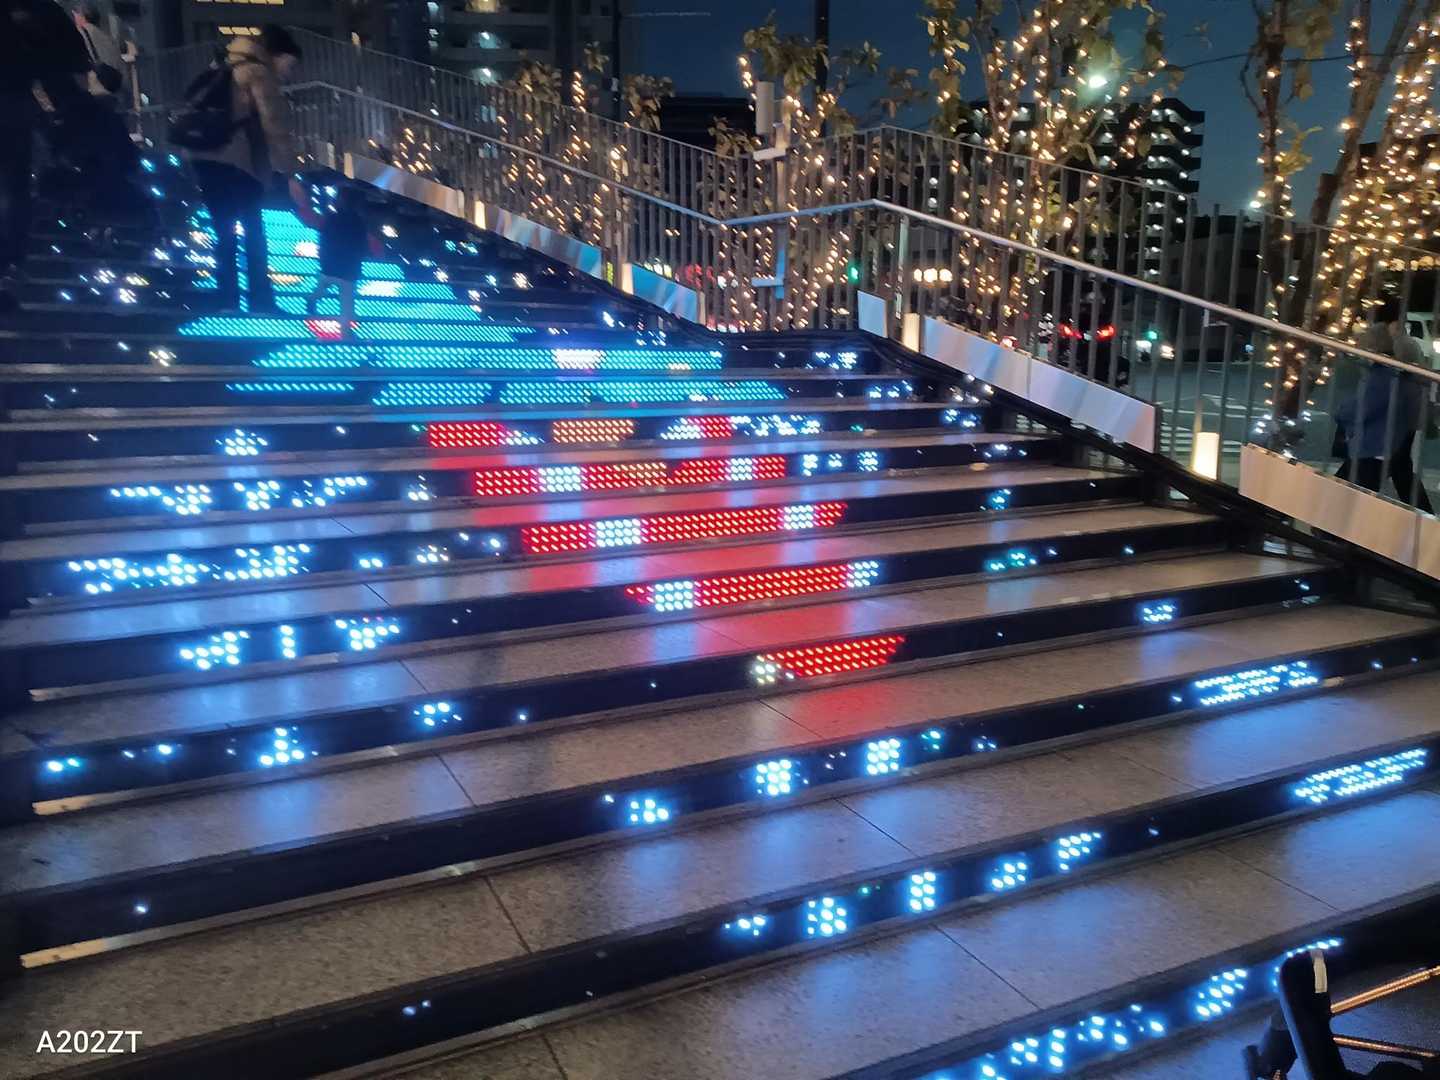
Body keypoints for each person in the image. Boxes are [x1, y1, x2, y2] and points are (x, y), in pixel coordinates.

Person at [187, 24, 304, 314]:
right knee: (253, 231)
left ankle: (227, 299)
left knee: (224, 231)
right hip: (239, 162)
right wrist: (290, 173)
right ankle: (260, 300)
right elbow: (274, 126)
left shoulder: (225, 64)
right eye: (290, 64)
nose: (290, 73)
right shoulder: (259, 73)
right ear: (276, 54)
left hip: (205, 158)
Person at [0, 0, 90, 311]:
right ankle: (8, 268)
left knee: (14, 189)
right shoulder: (38, 9)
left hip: (14, 102)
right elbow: (70, 59)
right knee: (15, 188)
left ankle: (7, 266)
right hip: (15, 102)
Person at [1332, 299, 1435, 514]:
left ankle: (1423, 516)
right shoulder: (1404, 345)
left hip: (1391, 423)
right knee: (1398, 470)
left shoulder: (1396, 351)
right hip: (1400, 419)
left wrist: (1344, 413)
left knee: (1382, 470)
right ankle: (1424, 516)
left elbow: (1376, 397)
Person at [301, 186, 371, 340]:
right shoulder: (359, 222)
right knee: (346, 304)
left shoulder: (332, 218)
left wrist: (323, 260)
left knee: (323, 288)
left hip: (331, 266)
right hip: (348, 270)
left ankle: (312, 299)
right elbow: (361, 247)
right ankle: (346, 334)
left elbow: (324, 241)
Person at [73, 3, 124, 100]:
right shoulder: (106, 37)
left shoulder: (80, 33)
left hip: (95, 88)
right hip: (113, 89)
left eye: (75, 16)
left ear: (81, 16)